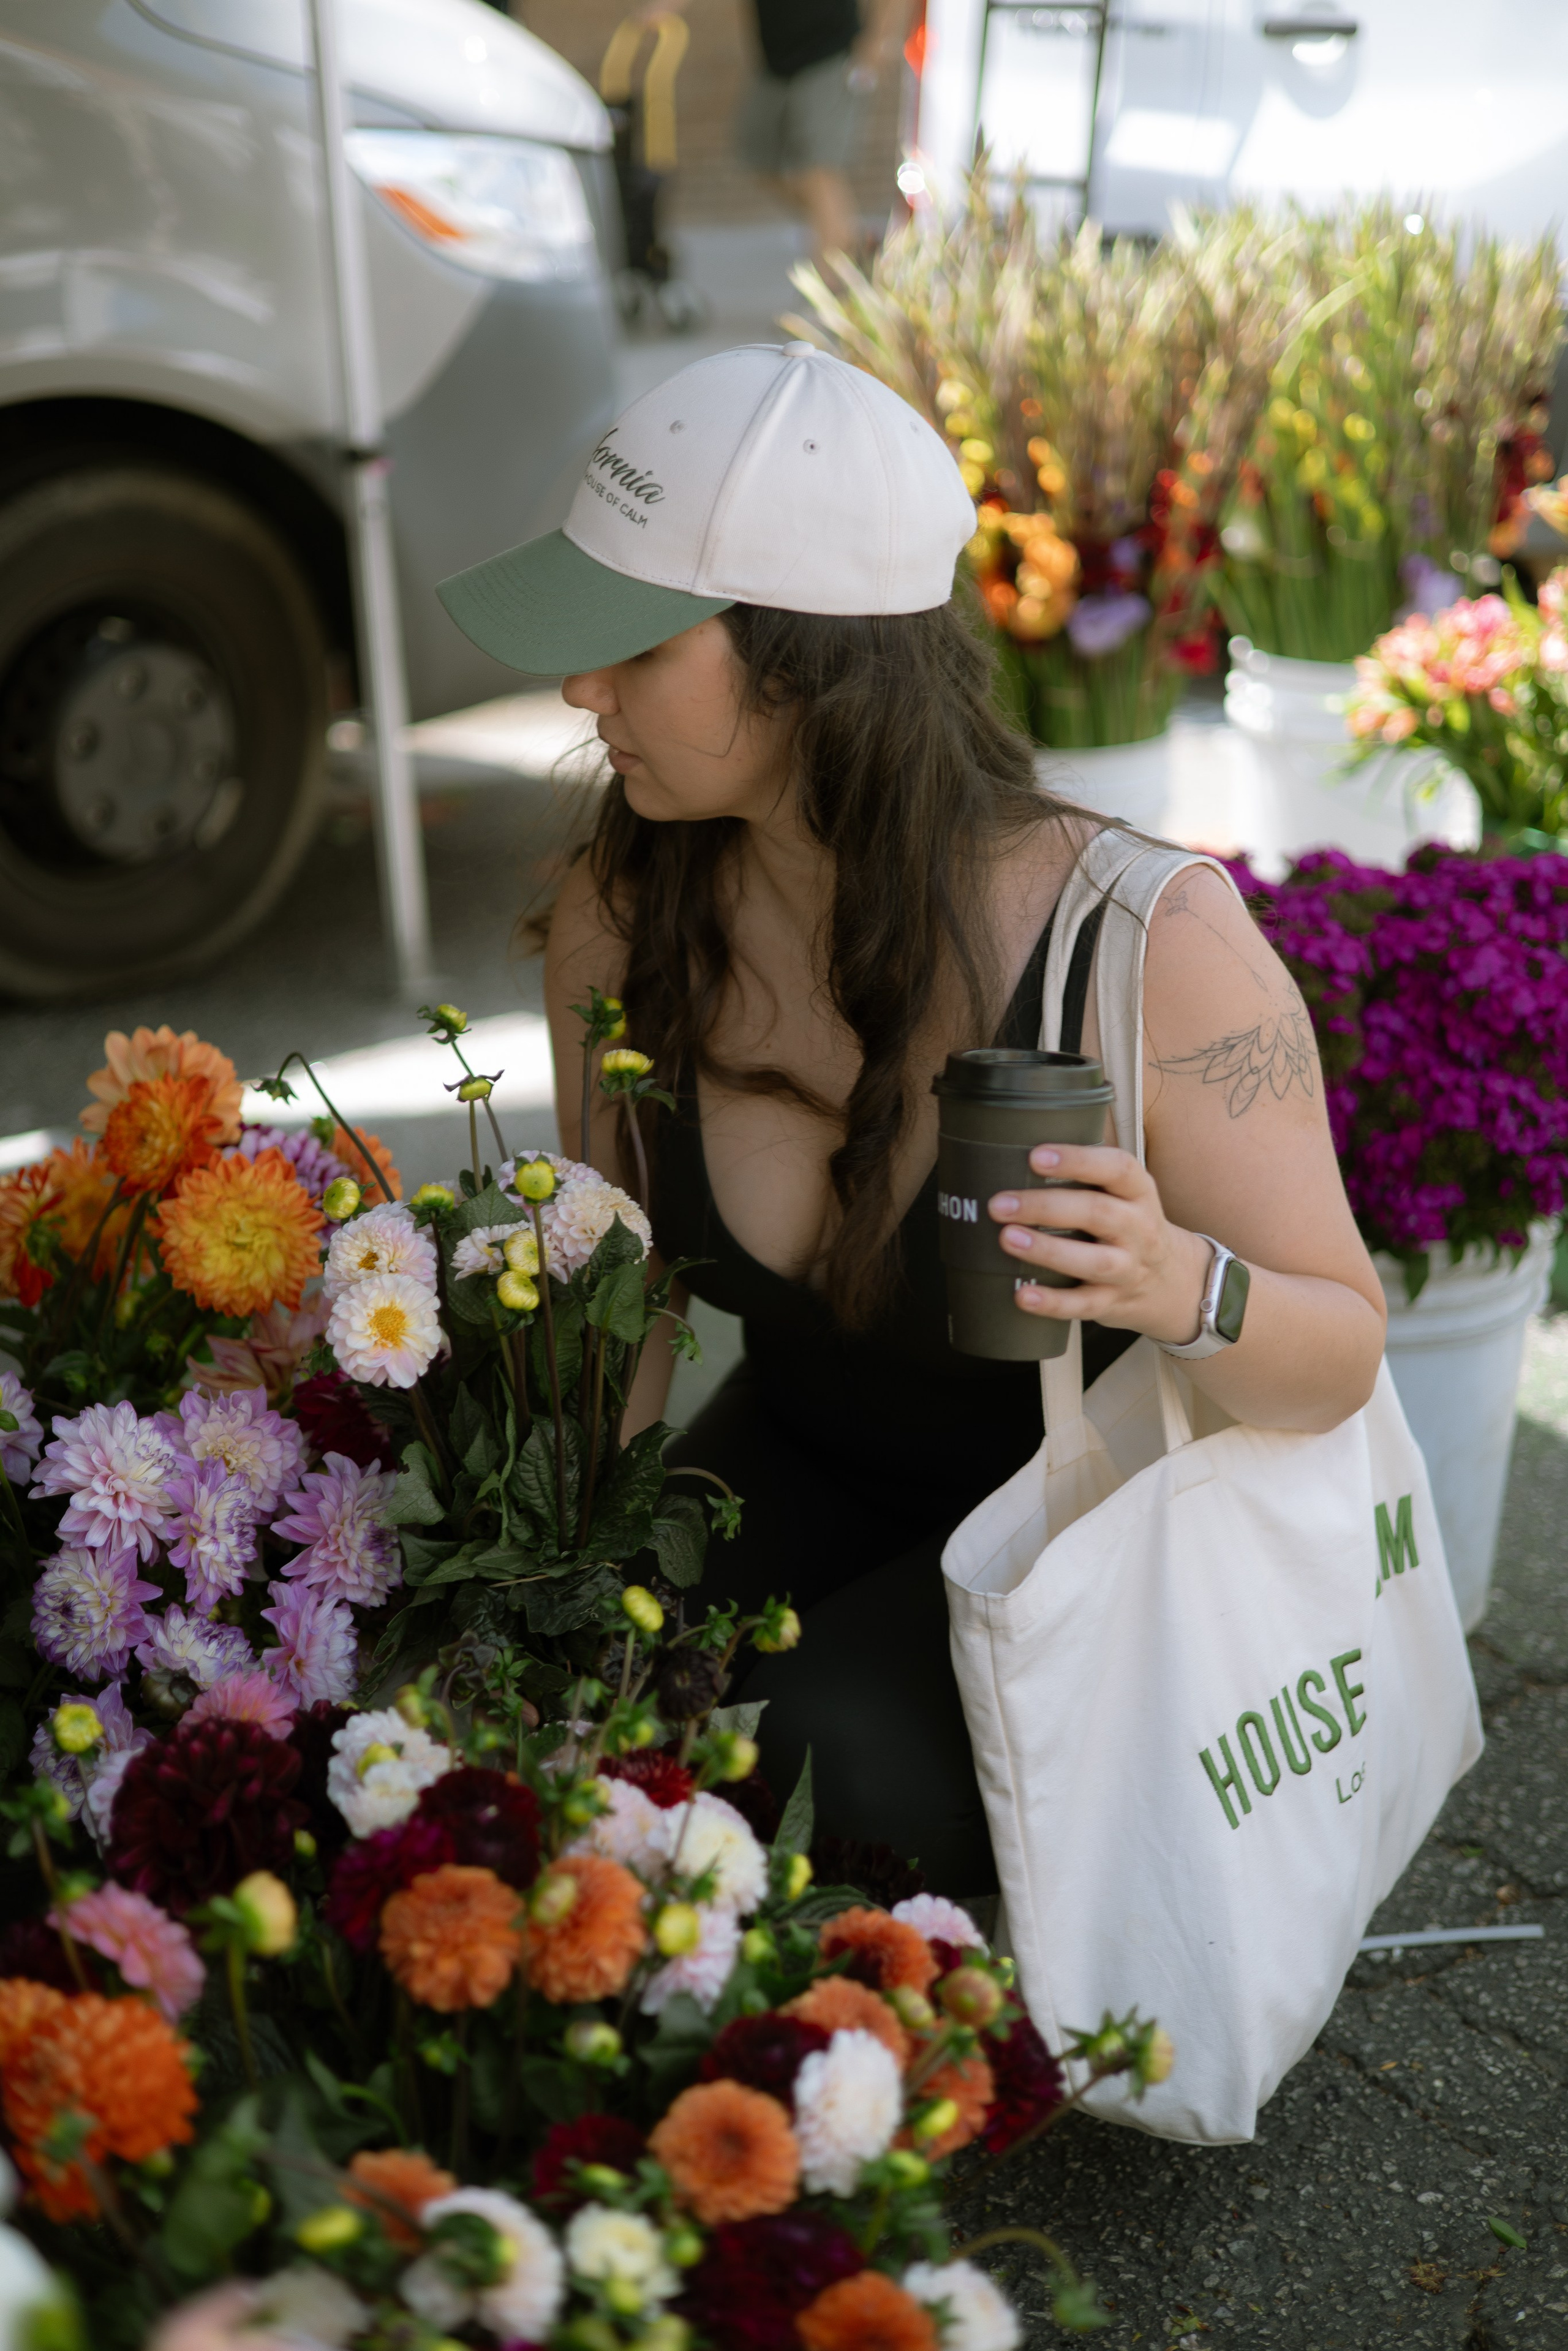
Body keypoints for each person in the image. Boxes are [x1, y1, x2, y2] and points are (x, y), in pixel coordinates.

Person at [437, 342, 1388, 1895]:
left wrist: (1176, 1284)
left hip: (1081, 1541)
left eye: (631, 645)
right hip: (800, 1457)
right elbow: (626, 1303)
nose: (575, 689)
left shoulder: (1144, 943)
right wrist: (551, 1568)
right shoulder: (626, 907)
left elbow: (1336, 1359)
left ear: (805, 663)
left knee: (807, 1769)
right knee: (568, 1705)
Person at [641, 0, 913, 266]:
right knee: (759, 156)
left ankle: (836, 285)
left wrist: (879, 37)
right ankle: (849, 238)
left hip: (831, 54)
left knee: (816, 170)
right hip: (776, 63)